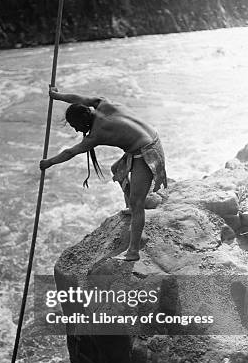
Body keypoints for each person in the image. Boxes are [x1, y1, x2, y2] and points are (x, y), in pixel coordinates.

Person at [39, 86, 167, 261]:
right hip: (151, 138)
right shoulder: (101, 103)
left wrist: (48, 162)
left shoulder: (96, 135)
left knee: (138, 203)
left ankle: (133, 251)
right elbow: (78, 97)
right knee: (117, 170)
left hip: (146, 152)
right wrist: (57, 95)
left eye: (75, 126)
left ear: (82, 121)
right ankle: (131, 208)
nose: (76, 131)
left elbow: (69, 152)